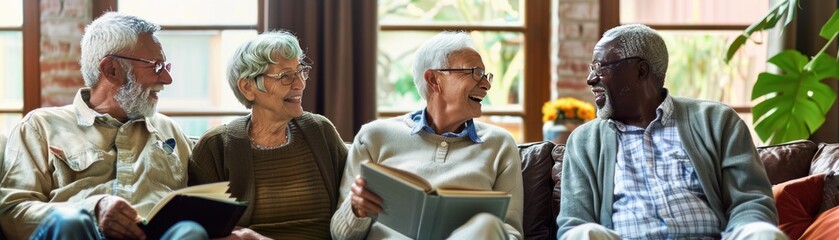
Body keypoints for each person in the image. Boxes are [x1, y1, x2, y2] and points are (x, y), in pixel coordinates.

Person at [556, 24, 787, 240]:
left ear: (641, 71)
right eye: (591, 69)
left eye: (600, 68)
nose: (591, 79)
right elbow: (574, 223)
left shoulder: (717, 121)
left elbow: (751, 200)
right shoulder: (584, 141)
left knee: (763, 234)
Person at [0, 12, 206, 240]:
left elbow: (206, 202)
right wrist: (93, 208)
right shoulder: (40, 127)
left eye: (165, 66)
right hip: (78, 234)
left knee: (191, 231)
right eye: (156, 66)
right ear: (111, 70)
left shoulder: (171, 131)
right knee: (70, 222)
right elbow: (12, 214)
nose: (167, 79)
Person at [330, 31, 524, 240]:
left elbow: (510, 232)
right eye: (475, 72)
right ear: (434, 80)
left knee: (487, 225)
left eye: (485, 75)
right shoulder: (373, 137)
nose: (486, 84)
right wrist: (356, 210)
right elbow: (340, 236)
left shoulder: (500, 145)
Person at [188, 30, 347, 239]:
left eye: (301, 71)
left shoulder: (320, 131)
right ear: (247, 87)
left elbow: (351, 203)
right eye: (285, 76)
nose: (300, 84)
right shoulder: (216, 147)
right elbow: (200, 226)